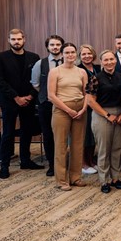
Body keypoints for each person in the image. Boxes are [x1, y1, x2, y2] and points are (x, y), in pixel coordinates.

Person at [0, 29, 43, 179]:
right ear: (9, 40)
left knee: (26, 131)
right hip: (9, 101)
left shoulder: (34, 57)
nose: (16, 42)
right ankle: (4, 166)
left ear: (24, 39)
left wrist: (29, 96)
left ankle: (26, 161)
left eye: (19, 39)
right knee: (7, 134)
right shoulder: (0, 57)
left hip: (28, 100)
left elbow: (38, 80)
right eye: (13, 39)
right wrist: (16, 97)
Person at [47, 42, 89, 190]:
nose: (70, 55)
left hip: (80, 110)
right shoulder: (55, 72)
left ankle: (76, 177)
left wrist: (83, 108)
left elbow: (87, 93)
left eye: (72, 52)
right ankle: (61, 180)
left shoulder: (81, 72)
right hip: (61, 110)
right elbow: (51, 95)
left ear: (76, 53)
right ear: (62, 54)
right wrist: (68, 110)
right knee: (61, 146)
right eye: (67, 52)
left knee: (77, 145)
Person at [86, 50, 121, 193]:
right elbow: (90, 101)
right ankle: (104, 180)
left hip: (120, 114)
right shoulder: (95, 78)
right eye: (106, 60)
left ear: (115, 60)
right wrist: (107, 115)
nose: (109, 62)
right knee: (104, 149)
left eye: (111, 59)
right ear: (101, 62)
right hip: (102, 114)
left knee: (117, 149)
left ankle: (115, 178)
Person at [30, 34, 64, 177]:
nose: (55, 47)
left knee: (64, 135)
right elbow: (35, 83)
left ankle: (64, 162)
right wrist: (48, 95)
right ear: (47, 47)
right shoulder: (40, 63)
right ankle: (52, 164)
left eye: (57, 44)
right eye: (52, 45)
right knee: (48, 135)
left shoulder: (69, 61)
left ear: (62, 46)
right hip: (46, 104)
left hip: (65, 104)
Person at [78, 44, 99, 175]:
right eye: (83, 54)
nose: (87, 56)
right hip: (84, 106)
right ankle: (83, 163)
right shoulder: (78, 69)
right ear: (80, 57)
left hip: (96, 107)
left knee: (92, 136)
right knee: (84, 137)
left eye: (89, 53)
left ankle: (91, 161)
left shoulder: (98, 68)